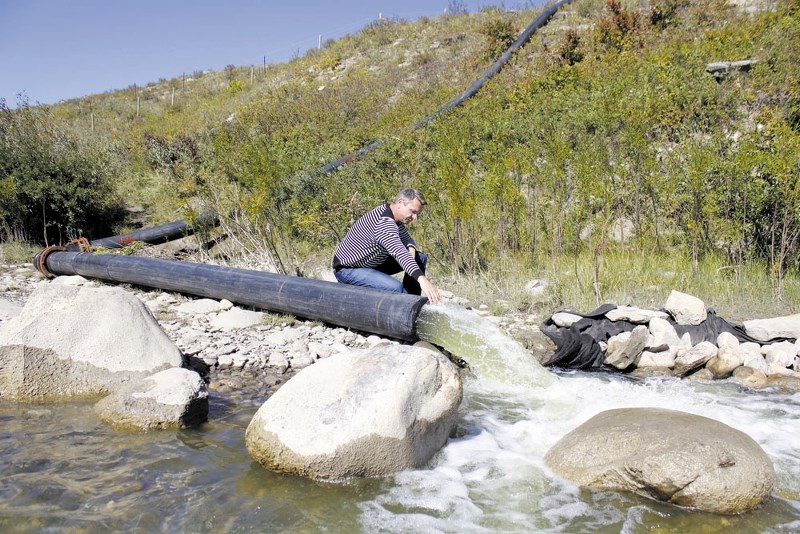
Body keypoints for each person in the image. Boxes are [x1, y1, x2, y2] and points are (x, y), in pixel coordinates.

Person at [332, 188, 441, 304]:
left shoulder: (393, 215)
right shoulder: (384, 223)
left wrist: (412, 254)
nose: (415, 217)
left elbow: (408, 240)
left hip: (371, 263)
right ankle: (403, 307)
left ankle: (412, 302)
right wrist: (422, 280)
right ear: (400, 203)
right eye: (412, 211)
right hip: (348, 269)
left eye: (417, 214)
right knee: (396, 288)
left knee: (420, 258)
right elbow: (399, 253)